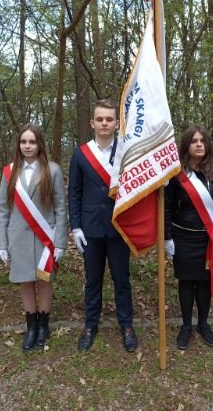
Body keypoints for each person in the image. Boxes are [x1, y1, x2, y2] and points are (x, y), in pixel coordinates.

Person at [68, 98, 138, 353]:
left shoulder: (127, 151)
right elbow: (74, 193)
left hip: (119, 228)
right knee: (93, 281)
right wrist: (75, 227)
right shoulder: (80, 153)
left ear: (116, 123)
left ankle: (127, 325)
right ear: (92, 122)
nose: (104, 123)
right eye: (100, 119)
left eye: (109, 119)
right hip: (91, 229)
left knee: (122, 280)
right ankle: (90, 325)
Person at [0, 123, 67, 352]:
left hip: (45, 237)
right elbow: (4, 210)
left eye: (32, 142)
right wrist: (2, 243)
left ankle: (43, 325)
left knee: (43, 280)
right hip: (17, 238)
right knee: (25, 282)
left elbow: (60, 208)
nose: (27, 146)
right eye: (23, 141)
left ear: (39, 145)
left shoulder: (53, 170)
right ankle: (31, 326)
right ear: (19, 145)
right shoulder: (10, 172)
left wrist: (60, 242)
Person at [164, 125, 213, 350]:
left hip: (209, 239)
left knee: (203, 283)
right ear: (187, 145)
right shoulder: (176, 174)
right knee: (185, 282)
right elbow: (167, 207)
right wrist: (167, 237)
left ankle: (203, 324)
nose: (199, 144)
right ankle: (186, 326)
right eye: (194, 141)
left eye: (202, 140)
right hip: (183, 238)